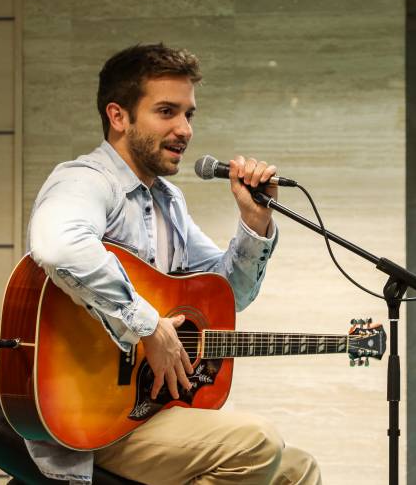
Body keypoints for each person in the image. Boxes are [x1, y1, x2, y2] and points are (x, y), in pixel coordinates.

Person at [25, 43, 321, 484]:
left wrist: (254, 221)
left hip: (149, 408)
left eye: (189, 115)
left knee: (297, 469)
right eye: (167, 111)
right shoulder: (84, 179)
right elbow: (58, 247)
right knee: (256, 443)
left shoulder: (168, 201)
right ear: (118, 116)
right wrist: (149, 324)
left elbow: (227, 296)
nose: (184, 129)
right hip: (91, 418)